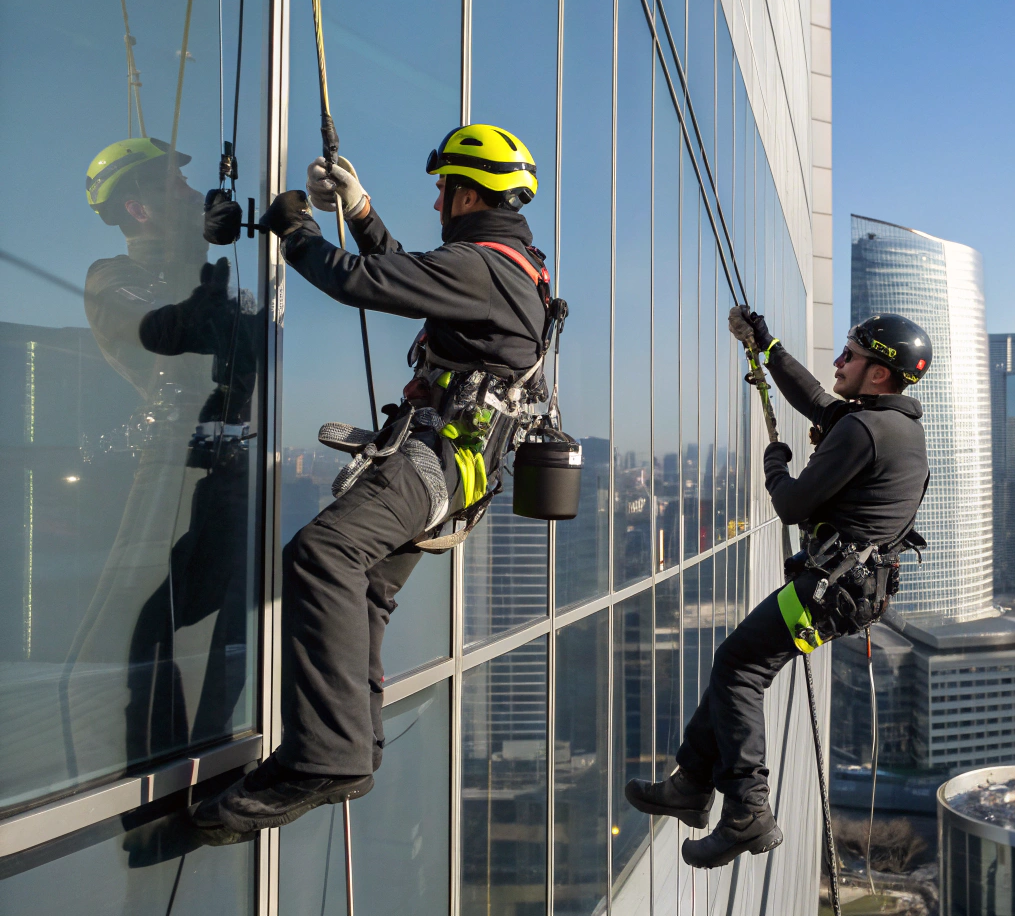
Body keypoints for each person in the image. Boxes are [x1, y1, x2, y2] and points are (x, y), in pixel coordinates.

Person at [195, 123, 551, 837]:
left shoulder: (481, 266)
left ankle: (325, 757)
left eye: (443, 190)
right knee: (364, 589)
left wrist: (297, 230)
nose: (437, 203)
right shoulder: (508, 264)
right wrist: (358, 211)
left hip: (437, 460)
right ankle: (348, 749)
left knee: (323, 553)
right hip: (459, 466)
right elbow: (413, 275)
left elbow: (364, 282)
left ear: (468, 193)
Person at [625, 306, 933, 869]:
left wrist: (774, 466)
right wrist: (768, 346)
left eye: (850, 356)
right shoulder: (894, 427)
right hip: (848, 592)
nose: (838, 362)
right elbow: (814, 399)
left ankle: (747, 809)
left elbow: (792, 504)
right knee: (738, 664)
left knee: (739, 668)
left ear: (879, 373)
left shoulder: (864, 430)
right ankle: (691, 783)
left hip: (830, 590)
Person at [69, 138, 255, 791]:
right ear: (137, 209)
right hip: (172, 470)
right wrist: (197, 252)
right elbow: (170, 336)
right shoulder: (111, 279)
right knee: (140, 620)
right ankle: (143, 782)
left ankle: (206, 767)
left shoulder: (199, 274)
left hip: (225, 468)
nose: (189, 193)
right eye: (172, 187)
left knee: (220, 624)